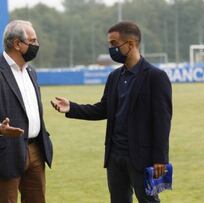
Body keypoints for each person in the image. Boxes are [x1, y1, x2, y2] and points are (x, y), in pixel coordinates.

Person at [51, 21, 172, 203]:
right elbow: (103, 109)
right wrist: (72, 107)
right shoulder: (114, 77)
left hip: (142, 157)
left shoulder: (155, 77)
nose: (111, 49)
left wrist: (160, 160)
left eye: (114, 44)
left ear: (131, 44)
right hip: (115, 156)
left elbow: (162, 122)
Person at [0, 20, 53, 203]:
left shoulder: (31, 71)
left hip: (36, 149)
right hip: (6, 151)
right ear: (17, 44)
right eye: (32, 41)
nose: (36, 45)